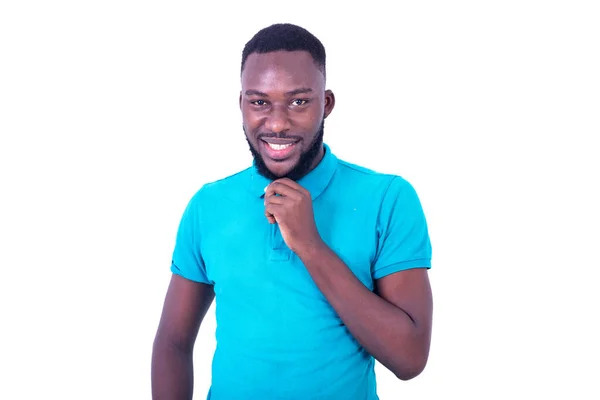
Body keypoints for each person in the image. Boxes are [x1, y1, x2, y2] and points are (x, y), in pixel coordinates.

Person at [151, 23, 433, 400]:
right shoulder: (208, 205)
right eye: (259, 102)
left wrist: (311, 246)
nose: (278, 122)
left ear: (326, 104)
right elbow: (173, 341)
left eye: (299, 101)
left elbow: (409, 358)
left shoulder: (388, 198)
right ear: (241, 104)